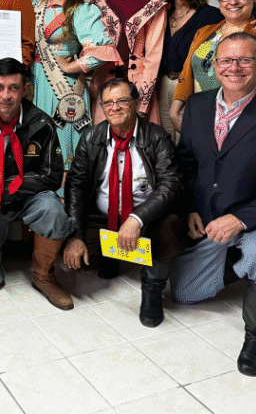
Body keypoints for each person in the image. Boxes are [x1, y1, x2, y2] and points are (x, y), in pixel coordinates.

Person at [170, 32, 256, 376]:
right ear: (215, 65)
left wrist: (240, 220)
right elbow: (186, 164)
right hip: (206, 214)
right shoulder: (199, 106)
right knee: (184, 295)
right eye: (226, 60)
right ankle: (237, 262)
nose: (234, 68)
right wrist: (189, 207)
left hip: (255, 217)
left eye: (245, 60)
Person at [0, 58, 74, 309]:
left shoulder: (42, 124)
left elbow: (52, 176)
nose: (6, 96)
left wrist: (2, 192)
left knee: (53, 210)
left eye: (13, 88)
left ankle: (43, 275)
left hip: (23, 198)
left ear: (25, 89)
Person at [63, 78, 186, 327]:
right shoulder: (90, 138)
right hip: (103, 215)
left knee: (170, 228)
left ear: (137, 103)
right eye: (108, 102)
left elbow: (171, 184)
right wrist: (74, 236)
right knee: (83, 262)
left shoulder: (157, 137)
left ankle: (152, 288)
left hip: (146, 215)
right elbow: (76, 186)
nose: (114, 107)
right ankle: (111, 257)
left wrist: (137, 217)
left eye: (122, 100)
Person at [160, 0, 256, 138]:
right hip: (177, 95)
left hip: (232, 113)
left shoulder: (212, 16)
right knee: (172, 152)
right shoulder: (164, 14)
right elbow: (188, 68)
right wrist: (175, 110)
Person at [32, 0, 121, 175]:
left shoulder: (82, 11)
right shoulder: (35, 8)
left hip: (65, 87)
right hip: (35, 84)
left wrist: (72, 66)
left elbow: (104, 49)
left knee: (64, 142)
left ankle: (65, 199)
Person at [90, 0, 166, 124]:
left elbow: (153, 59)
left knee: (138, 149)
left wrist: (140, 105)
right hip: (103, 89)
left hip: (138, 90)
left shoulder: (154, 6)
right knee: (101, 147)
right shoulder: (98, 4)